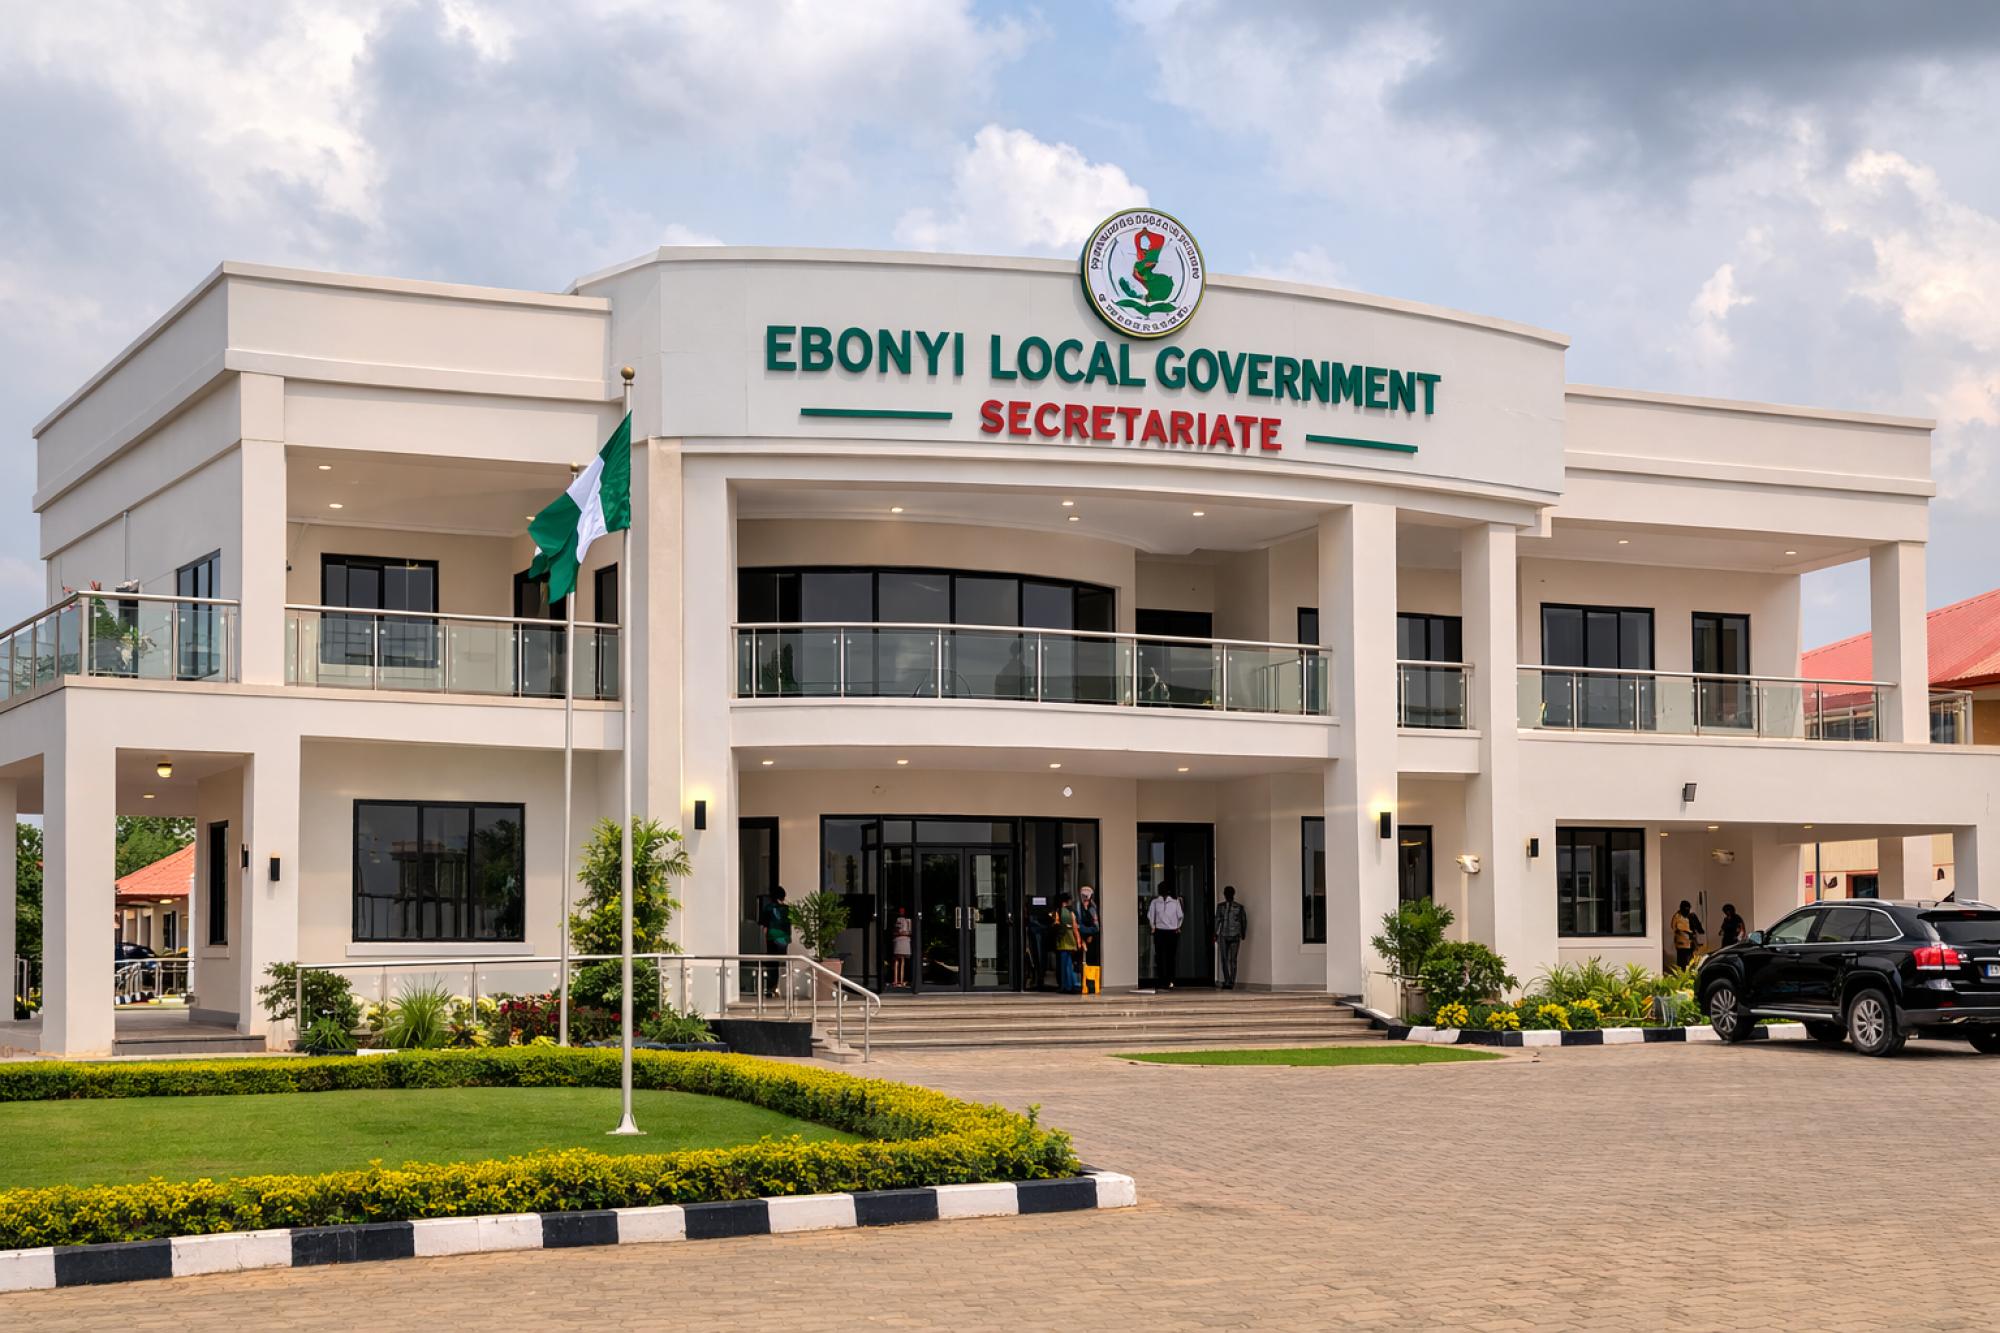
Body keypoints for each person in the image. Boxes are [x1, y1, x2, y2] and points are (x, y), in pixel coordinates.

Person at [1147, 887, 1185, 989]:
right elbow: (1180, 916)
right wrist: (1178, 927)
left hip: (1166, 931)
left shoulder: (1173, 902)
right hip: (1165, 931)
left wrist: (1153, 927)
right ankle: (1166, 980)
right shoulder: (1156, 902)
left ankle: (1167, 980)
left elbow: (1150, 915)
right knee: (1165, 957)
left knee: (1166, 957)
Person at [758, 886, 791, 996]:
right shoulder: (787, 909)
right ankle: (783, 989)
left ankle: (771, 988)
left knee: (772, 964)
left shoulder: (768, 908)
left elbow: (764, 927)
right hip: (784, 939)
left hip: (772, 938)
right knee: (782, 964)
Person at [1215, 885, 1248, 990]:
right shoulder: (1220, 906)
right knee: (1225, 959)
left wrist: (1243, 933)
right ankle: (1228, 981)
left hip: (1234, 935)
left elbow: (1243, 921)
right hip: (1224, 935)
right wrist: (1215, 933)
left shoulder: (1239, 907)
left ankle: (1231, 982)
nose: (1227, 895)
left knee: (1232, 959)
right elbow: (1217, 920)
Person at [1053, 892, 1083, 994]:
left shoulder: (1059, 911)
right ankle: (1072, 985)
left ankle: (1065, 986)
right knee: (1069, 964)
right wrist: (1078, 941)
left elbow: (1057, 925)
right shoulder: (1072, 912)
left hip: (1063, 942)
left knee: (1064, 965)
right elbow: (1075, 928)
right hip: (1071, 941)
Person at [1078, 885, 1102, 970]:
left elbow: (1096, 928)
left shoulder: (1092, 909)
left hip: (1091, 940)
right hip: (1085, 938)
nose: (1084, 899)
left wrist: (1083, 930)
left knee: (1090, 963)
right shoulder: (1081, 907)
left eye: (1086, 897)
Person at [889, 904, 913, 988]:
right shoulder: (897, 919)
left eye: (903, 911)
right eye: (900, 911)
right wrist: (900, 933)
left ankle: (901, 981)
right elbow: (894, 931)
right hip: (898, 940)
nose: (901, 912)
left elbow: (910, 932)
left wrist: (903, 933)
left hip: (905, 940)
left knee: (902, 960)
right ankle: (896, 980)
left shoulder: (908, 920)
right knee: (897, 959)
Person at [1670, 899, 1696, 969]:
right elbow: (1673, 927)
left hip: (1690, 942)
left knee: (1690, 961)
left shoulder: (1690, 916)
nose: (1687, 911)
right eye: (1685, 909)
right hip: (1681, 943)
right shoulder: (1677, 916)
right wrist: (1682, 931)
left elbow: (1694, 927)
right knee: (1682, 961)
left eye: (1688, 909)